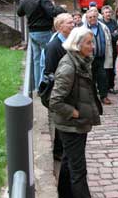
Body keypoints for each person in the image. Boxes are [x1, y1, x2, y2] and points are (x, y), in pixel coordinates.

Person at [49, 27, 102, 198]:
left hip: (77, 124)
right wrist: (75, 113)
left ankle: (64, 193)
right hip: (71, 125)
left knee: (68, 161)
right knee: (78, 170)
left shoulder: (81, 61)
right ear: (77, 45)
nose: (92, 46)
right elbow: (55, 101)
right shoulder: (68, 67)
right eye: (88, 43)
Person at [17, 0, 66, 91]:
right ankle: (43, 88)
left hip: (32, 34)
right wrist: (61, 8)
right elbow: (52, 12)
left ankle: (37, 87)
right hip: (43, 33)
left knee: (37, 60)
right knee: (46, 60)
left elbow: (20, 12)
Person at [43, 13, 74, 162]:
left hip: (70, 88)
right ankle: (58, 151)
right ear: (60, 26)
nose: (73, 25)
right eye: (69, 23)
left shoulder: (71, 41)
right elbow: (48, 71)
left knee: (66, 121)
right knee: (61, 122)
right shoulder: (53, 46)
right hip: (60, 90)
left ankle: (65, 148)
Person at [85, 9, 113, 105]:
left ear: (97, 17)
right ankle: (92, 97)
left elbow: (108, 41)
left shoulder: (103, 27)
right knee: (90, 78)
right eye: (90, 17)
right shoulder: (83, 29)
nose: (92, 19)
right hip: (89, 59)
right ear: (87, 18)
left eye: (94, 17)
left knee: (103, 77)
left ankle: (103, 96)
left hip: (101, 57)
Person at [101, 5, 118, 94]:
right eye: (106, 12)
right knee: (104, 68)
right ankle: (104, 86)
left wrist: (111, 36)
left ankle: (111, 86)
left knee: (112, 68)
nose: (108, 14)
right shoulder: (100, 23)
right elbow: (103, 36)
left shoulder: (113, 22)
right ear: (102, 14)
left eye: (109, 12)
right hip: (104, 49)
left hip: (113, 48)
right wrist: (112, 35)